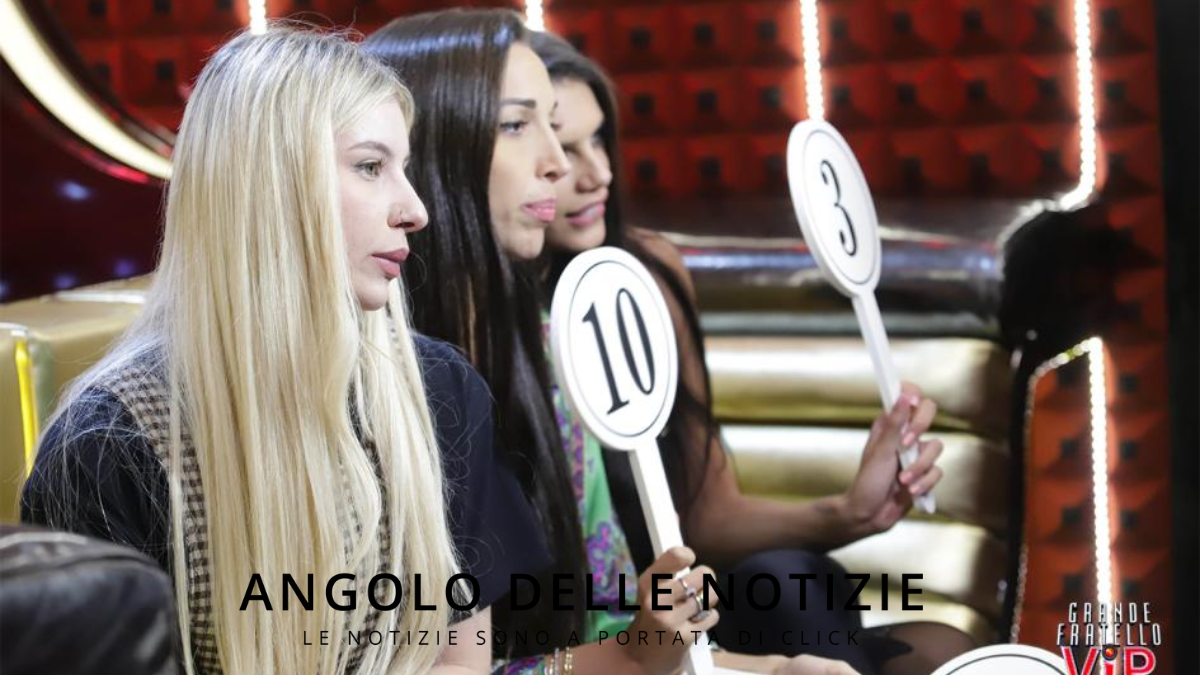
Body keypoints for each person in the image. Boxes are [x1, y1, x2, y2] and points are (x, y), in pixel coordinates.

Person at [21, 26, 547, 674]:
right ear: (271, 185)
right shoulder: (107, 447)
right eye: (370, 166)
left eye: (403, 169)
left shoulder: (441, 390)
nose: (415, 209)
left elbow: (461, 660)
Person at [365, 10, 859, 675]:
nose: (559, 164)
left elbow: (617, 631)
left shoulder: (547, 344)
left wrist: (770, 669)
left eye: (561, 128)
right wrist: (642, 651)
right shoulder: (385, 384)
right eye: (517, 126)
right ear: (435, 144)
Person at [529, 30, 977, 675]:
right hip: (587, 631)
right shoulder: (485, 322)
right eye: (562, 149)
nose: (596, 173)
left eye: (598, 140)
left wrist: (851, 511)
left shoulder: (647, 272)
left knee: (804, 587)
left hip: (696, 606)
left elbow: (708, 515)